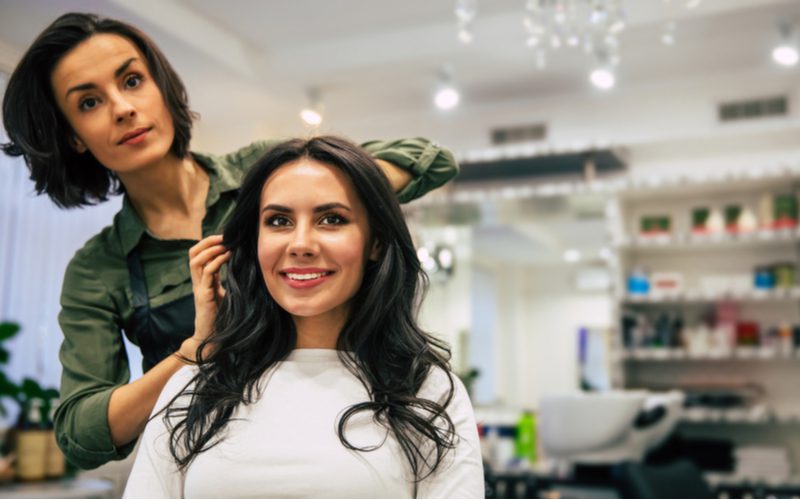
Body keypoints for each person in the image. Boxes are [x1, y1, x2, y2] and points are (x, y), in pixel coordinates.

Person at [1, 12, 459, 470]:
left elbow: (431, 160)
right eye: (89, 103)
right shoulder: (99, 269)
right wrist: (194, 352)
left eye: (133, 80)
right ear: (73, 138)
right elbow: (82, 437)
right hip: (209, 462)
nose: (123, 108)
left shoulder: (262, 173)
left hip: (349, 434)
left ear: (161, 86)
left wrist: (315, 199)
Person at [122, 136, 483, 498]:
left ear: (375, 242)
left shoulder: (427, 391)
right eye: (279, 221)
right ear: (254, 241)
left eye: (331, 219)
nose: (301, 244)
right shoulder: (194, 386)